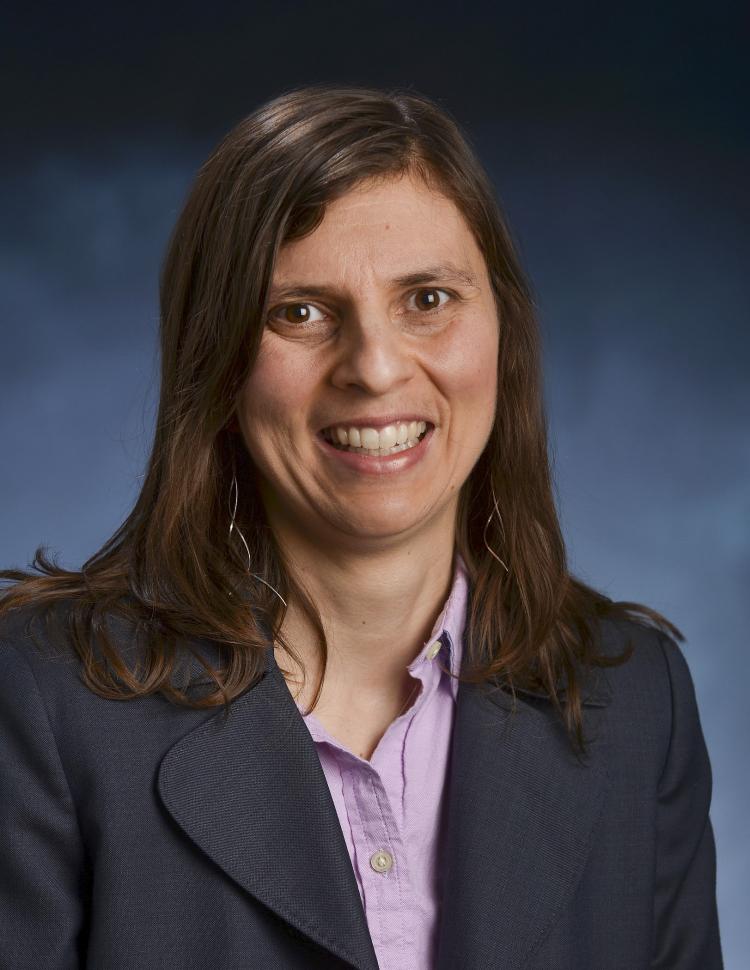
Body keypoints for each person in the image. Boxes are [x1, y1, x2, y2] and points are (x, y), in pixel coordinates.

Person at [0, 84, 723, 970]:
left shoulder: (638, 699)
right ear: (216, 360)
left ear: (505, 332)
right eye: (298, 312)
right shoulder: (42, 700)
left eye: (427, 298)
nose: (376, 369)